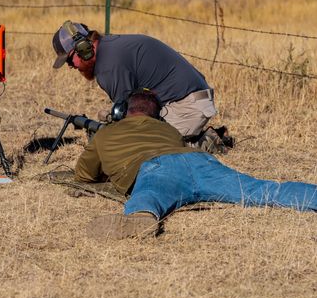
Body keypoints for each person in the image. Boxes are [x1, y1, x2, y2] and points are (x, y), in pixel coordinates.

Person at [74, 89, 317, 240]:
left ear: (122, 111)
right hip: (198, 161)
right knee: (259, 190)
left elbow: (84, 174)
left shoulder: (107, 133)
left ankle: (140, 218)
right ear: (157, 115)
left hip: (156, 167)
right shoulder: (168, 129)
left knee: (149, 196)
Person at [51, 20, 227, 152]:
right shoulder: (110, 48)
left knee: (140, 148)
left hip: (188, 105)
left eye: (69, 59)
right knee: (110, 120)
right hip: (186, 99)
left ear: (83, 48)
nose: (70, 66)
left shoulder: (108, 67)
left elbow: (130, 121)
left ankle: (201, 143)